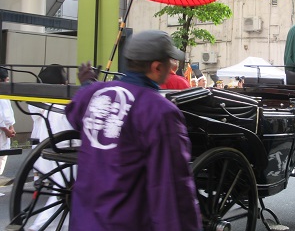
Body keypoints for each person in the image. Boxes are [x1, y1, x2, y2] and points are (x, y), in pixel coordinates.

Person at [65, 30, 201, 231]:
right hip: (128, 221)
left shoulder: (95, 94)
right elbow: (171, 188)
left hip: (84, 220)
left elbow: (75, 111)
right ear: (157, 67)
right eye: (169, 61)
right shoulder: (159, 111)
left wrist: (87, 84)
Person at [27, 65, 75, 231]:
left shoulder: (43, 104)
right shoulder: (64, 106)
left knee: (59, 191)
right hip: (67, 154)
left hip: (47, 151)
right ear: (63, 85)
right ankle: (42, 226)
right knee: (62, 192)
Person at [0, 68, 15, 175]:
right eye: (7, 80)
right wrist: (5, 129)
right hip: (2, 130)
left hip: (6, 131)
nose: (8, 82)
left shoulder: (5, 95)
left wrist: (11, 127)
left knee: (2, 159)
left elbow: (9, 112)